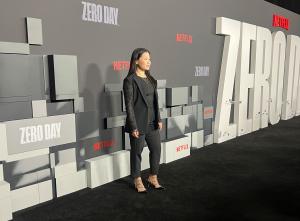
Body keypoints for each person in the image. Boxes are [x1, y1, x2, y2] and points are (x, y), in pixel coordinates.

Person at [123, 48, 165, 193]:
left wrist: (158, 118)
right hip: (138, 123)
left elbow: (155, 102)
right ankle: (137, 179)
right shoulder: (130, 80)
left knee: (156, 149)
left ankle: (153, 177)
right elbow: (128, 105)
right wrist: (133, 126)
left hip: (152, 122)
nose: (149, 62)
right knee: (137, 152)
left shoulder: (152, 80)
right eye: (145, 59)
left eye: (150, 59)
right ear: (136, 60)